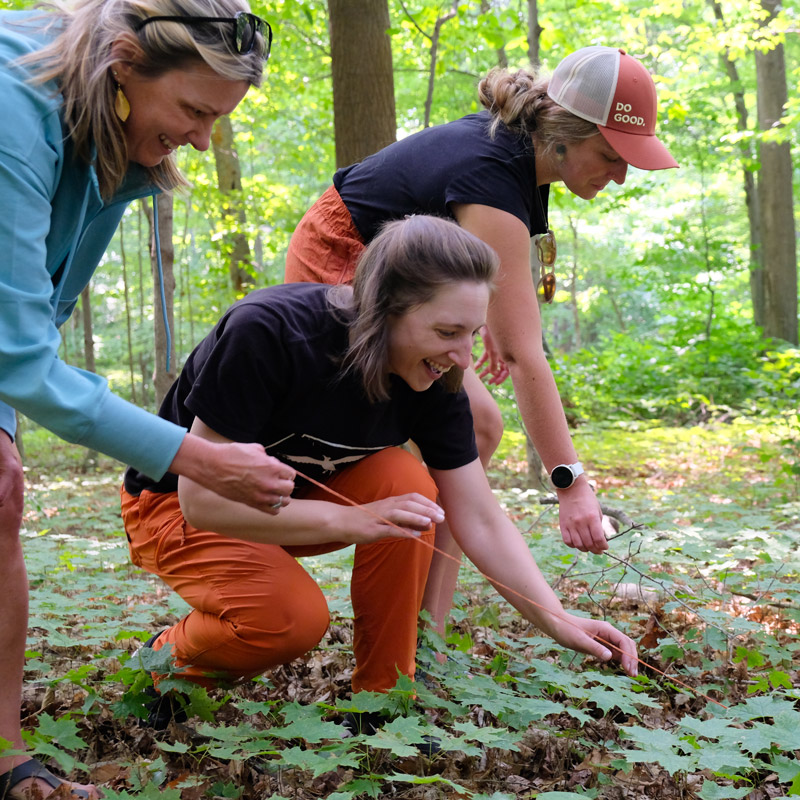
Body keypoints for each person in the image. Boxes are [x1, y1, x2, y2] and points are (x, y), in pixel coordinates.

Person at [120, 215, 638, 745]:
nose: (463, 357)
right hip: (174, 506)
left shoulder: (439, 377)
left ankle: (383, 702)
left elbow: (477, 515)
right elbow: (202, 500)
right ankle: (160, 666)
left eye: (472, 334)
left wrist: (556, 619)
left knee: (407, 485)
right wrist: (351, 518)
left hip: (294, 503)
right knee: (290, 620)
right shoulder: (270, 332)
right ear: (384, 308)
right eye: (446, 332)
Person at [0, 1, 296, 798]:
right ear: (125, 63)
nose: (203, 139)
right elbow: (26, 364)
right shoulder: (11, 107)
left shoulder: (111, 144)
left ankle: (2, 749)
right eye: (195, 111)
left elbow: (40, 313)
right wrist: (202, 459)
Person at [284, 46, 679, 640]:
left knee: (476, 427)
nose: (621, 174)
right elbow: (525, 356)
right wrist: (570, 484)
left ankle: (426, 631)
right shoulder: (495, 176)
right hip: (341, 260)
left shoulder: (528, 160)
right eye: (612, 154)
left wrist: (476, 319)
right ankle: (401, 614)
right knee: (472, 426)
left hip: (405, 272)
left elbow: (478, 266)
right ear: (566, 134)